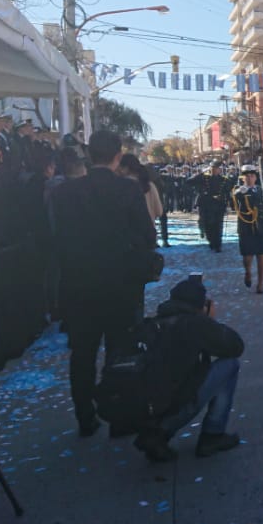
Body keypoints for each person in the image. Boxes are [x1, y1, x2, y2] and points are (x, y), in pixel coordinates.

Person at [49, 130, 157, 436]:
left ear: (88, 154)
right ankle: (118, 413)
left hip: (79, 285)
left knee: (82, 354)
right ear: (118, 156)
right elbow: (148, 236)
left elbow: (55, 240)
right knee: (120, 350)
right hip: (121, 285)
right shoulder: (127, 190)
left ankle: (85, 415)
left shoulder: (64, 194)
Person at [130, 276, 245, 462]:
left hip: (142, 406)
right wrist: (211, 321)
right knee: (229, 365)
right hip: (173, 402)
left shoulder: (154, 324)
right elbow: (235, 347)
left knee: (171, 386)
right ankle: (211, 434)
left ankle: (155, 432)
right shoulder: (194, 325)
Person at [231, 165, 263, 294]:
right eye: (247, 176)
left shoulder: (261, 190)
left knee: (262, 255)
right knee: (247, 257)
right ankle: (248, 272)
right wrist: (238, 194)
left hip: (261, 227)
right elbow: (233, 205)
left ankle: (261, 284)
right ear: (243, 178)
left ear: (255, 177)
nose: (249, 178)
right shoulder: (239, 190)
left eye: (252, 176)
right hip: (246, 227)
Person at [196, 160, 231, 252]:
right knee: (209, 225)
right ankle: (211, 241)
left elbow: (228, 193)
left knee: (218, 225)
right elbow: (190, 181)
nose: (215, 170)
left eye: (217, 168)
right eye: (213, 168)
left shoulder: (224, 180)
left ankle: (218, 245)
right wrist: (201, 173)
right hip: (207, 206)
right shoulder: (204, 178)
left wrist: (228, 204)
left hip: (219, 206)